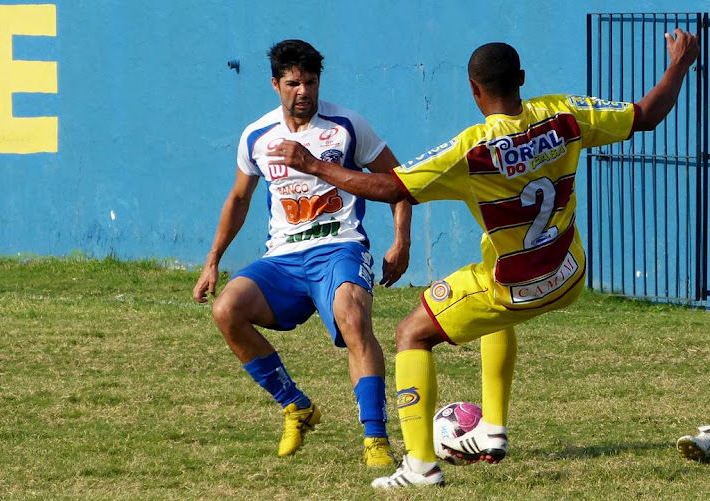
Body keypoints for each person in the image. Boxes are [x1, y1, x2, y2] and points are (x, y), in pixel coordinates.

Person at [269, 29, 699, 487]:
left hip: (512, 287)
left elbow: (392, 187)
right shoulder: (566, 115)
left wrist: (314, 165)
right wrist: (679, 63)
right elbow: (648, 115)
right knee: (489, 290)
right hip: (569, 275)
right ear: (523, 79)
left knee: (411, 333)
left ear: (474, 90)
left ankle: (419, 466)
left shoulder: (471, 150)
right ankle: (492, 430)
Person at [193, 39, 412, 467]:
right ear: (275, 84)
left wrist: (401, 241)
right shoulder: (257, 135)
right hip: (284, 258)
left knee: (353, 318)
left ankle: (376, 440)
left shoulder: (346, 126)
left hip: (339, 247)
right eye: (293, 83)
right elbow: (239, 199)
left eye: (310, 82)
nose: (303, 91)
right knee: (226, 311)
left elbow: (400, 182)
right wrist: (213, 260)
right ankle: (296, 406)